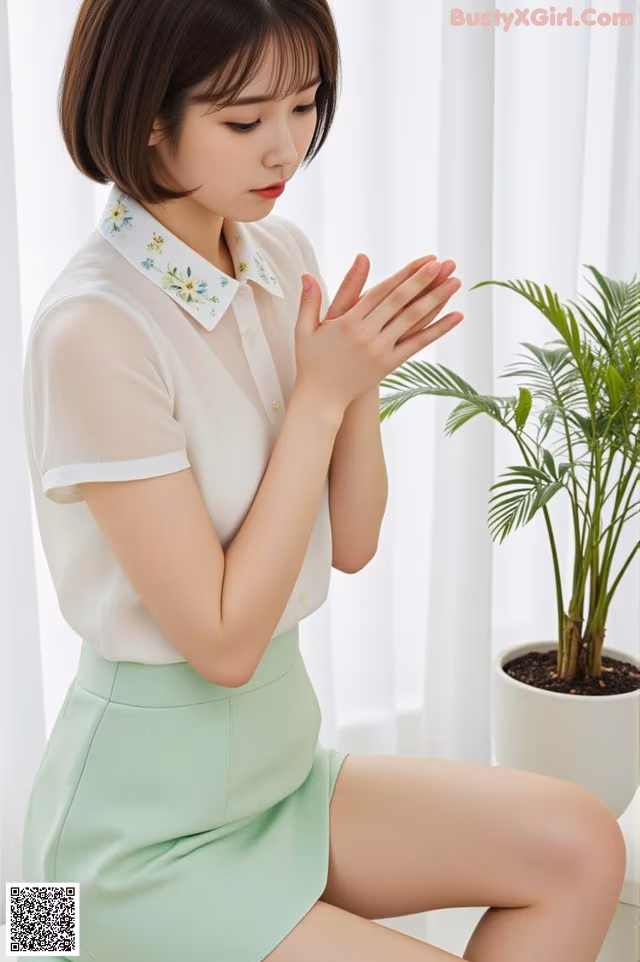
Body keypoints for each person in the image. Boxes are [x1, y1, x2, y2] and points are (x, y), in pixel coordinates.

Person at [20, 1, 627, 960]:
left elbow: (351, 543)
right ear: (145, 116)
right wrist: (317, 401)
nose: (285, 149)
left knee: (585, 844)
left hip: (275, 777)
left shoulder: (277, 259)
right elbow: (221, 642)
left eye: (305, 106)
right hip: (126, 846)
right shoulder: (93, 330)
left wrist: (357, 385)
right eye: (244, 119)